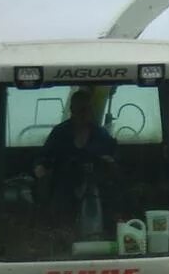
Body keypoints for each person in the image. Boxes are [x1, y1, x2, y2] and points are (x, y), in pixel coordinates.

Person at [34, 89, 119, 236]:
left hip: (97, 187)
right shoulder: (60, 133)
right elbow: (43, 158)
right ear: (72, 110)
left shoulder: (101, 135)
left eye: (88, 109)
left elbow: (114, 161)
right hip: (65, 187)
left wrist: (110, 163)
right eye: (81, 110)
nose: (85, 113)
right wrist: (40, 169)